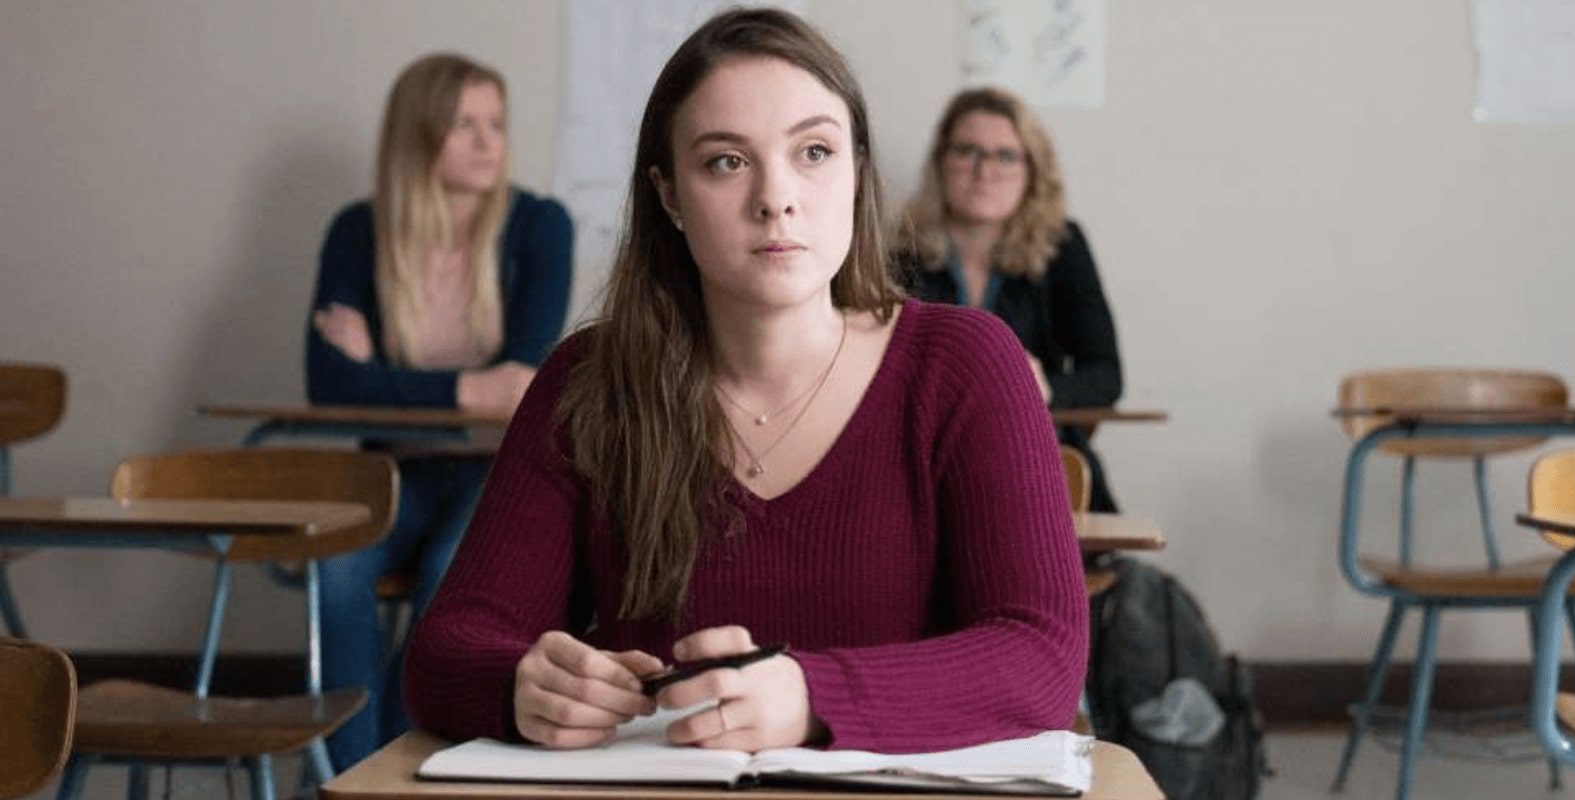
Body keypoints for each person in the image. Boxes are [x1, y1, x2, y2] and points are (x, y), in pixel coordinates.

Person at [405, 8, 1085, 755]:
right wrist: (519, 686)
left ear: (857, 172)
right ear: (668, 196)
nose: (776, 197)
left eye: (814, 152)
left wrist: (811, 697)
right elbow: (446, 649)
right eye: (726, 161)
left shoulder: (965, 366)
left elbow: (1043, 660)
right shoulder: (590, 383)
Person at [305, 52, 573, 770]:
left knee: (452, 575)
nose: (490, 142)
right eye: (464, 124)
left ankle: (394, 769)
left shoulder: (540, 227)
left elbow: (518, 384)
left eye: (497, 124)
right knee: (332, 571)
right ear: (418, 135)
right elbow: (327, 386)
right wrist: (463, 391)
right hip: (392, 475)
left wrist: (381, 374)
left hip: (495, 475)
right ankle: (349, 774)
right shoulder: (357, 231)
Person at [898, 87, 1124, 511]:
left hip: (1037, 460)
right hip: (922, 462)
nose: (985, 170)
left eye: (1005, 155)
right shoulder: (900, 249)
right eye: (968, 151)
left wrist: (1044, 388)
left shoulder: (1063, 248)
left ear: (1031, 170)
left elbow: (1107, 376)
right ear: (942, 162)